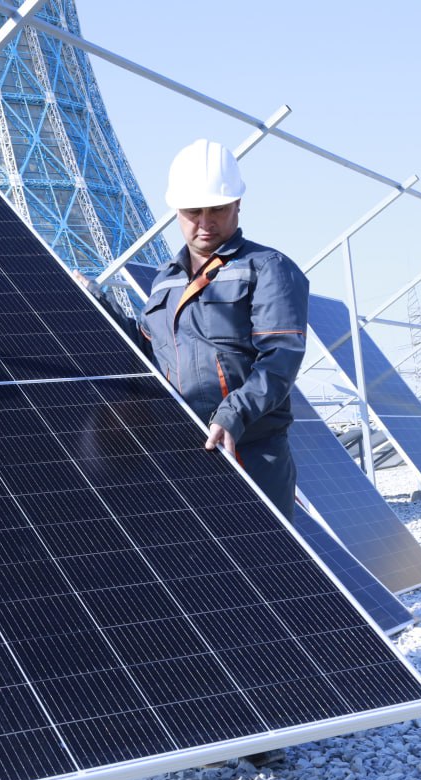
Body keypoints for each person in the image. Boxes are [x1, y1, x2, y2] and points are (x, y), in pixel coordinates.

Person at [84, 138, 309, 522]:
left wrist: (231, 415)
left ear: (238, 204)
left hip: (250, 451)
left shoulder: (268, 268)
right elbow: (145, 352)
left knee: (263, 569)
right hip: (179, 452)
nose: (206, 223)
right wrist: (93, 304)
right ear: (175, 211)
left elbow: (280, 359)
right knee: (200, 573)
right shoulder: (164, 281)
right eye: (193, 212)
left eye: (217, 209)